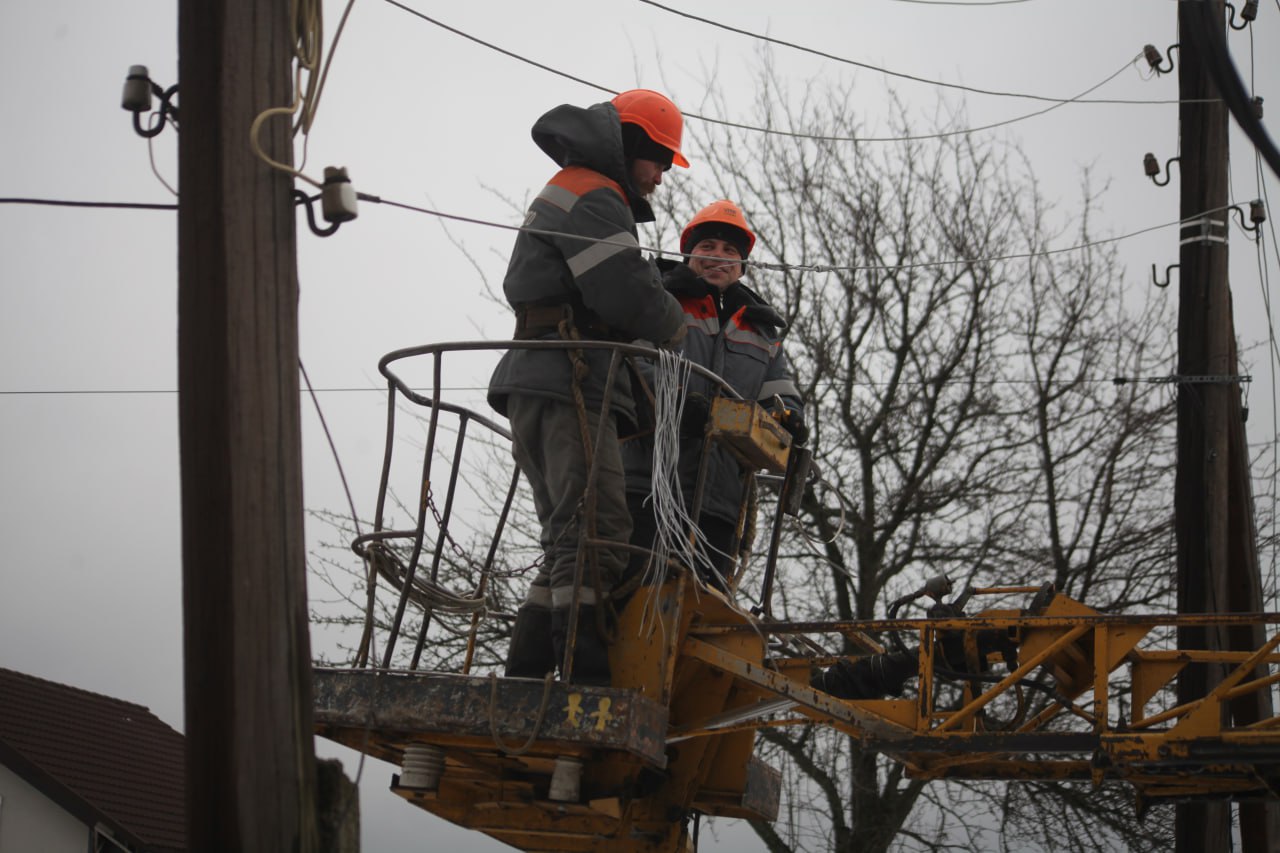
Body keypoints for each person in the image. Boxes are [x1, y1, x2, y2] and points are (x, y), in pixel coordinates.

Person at [488, 89, 689, 685]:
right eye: (659, 161)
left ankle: (526, 677)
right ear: (634, 146)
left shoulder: (580, 190)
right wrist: (674, 324)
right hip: (567, 381)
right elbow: (624, 294)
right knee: (598, 530)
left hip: (546, 377)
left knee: (569, 537)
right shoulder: (596, 195)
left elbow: (608, 282)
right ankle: (585, 674)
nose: (659, 177)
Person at [623, 200, 806, 591]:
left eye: (729, 252)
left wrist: (788, 418)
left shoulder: (762, 331)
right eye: (707, 247)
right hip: (647, 489)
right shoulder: (659, 300)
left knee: (701, 614)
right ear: (689, 252)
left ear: (742, 265)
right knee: (629, 604)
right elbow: (632, 364)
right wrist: (679, 402)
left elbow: (780, 391)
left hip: (719, 504)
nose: (717, 257)